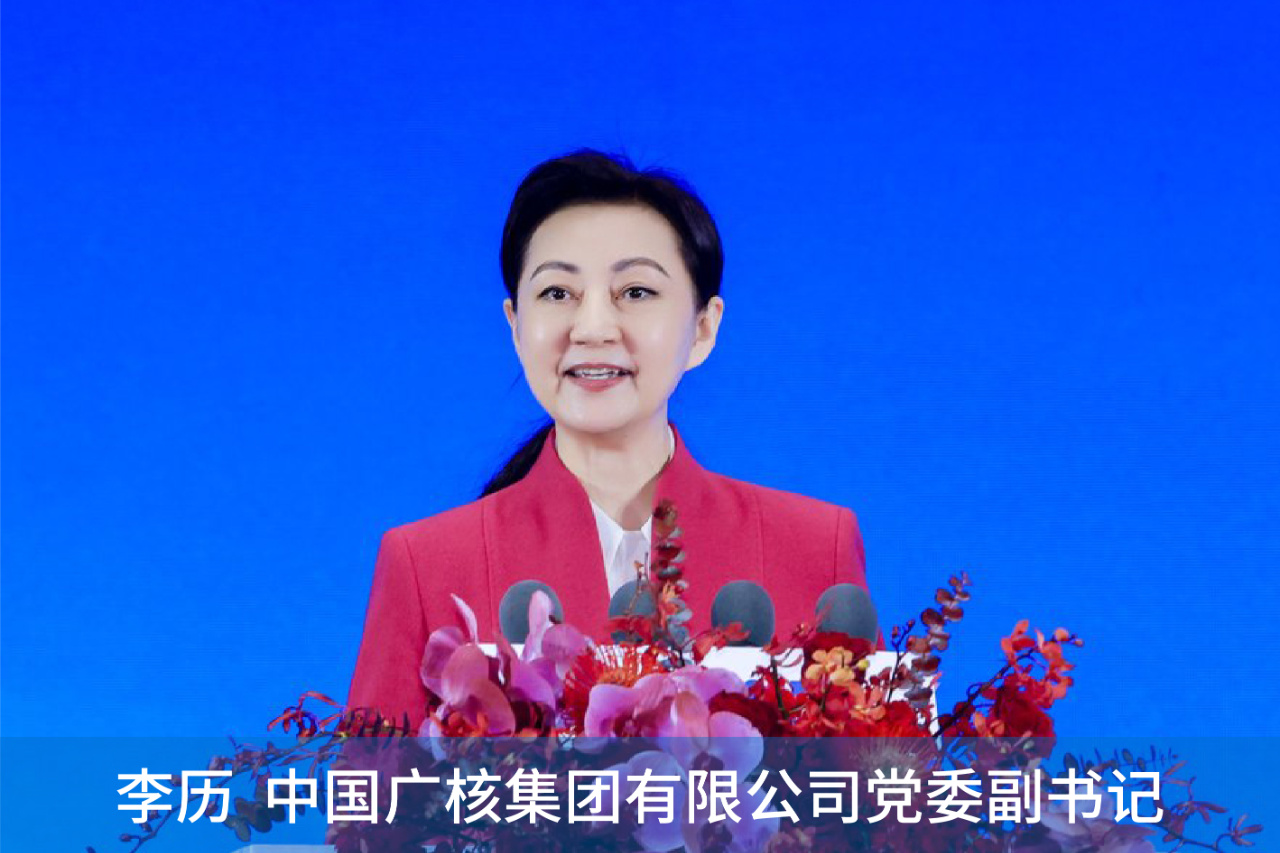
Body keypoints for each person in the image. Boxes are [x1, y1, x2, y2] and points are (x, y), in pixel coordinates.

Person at [348, 150, 871, 730]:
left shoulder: (816, 547)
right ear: (516, 327)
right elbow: (374, 789)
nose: (593, 328)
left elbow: (871, 781)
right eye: (557, 293)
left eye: (636, 292)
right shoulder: (424, 565)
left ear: (703, 328)